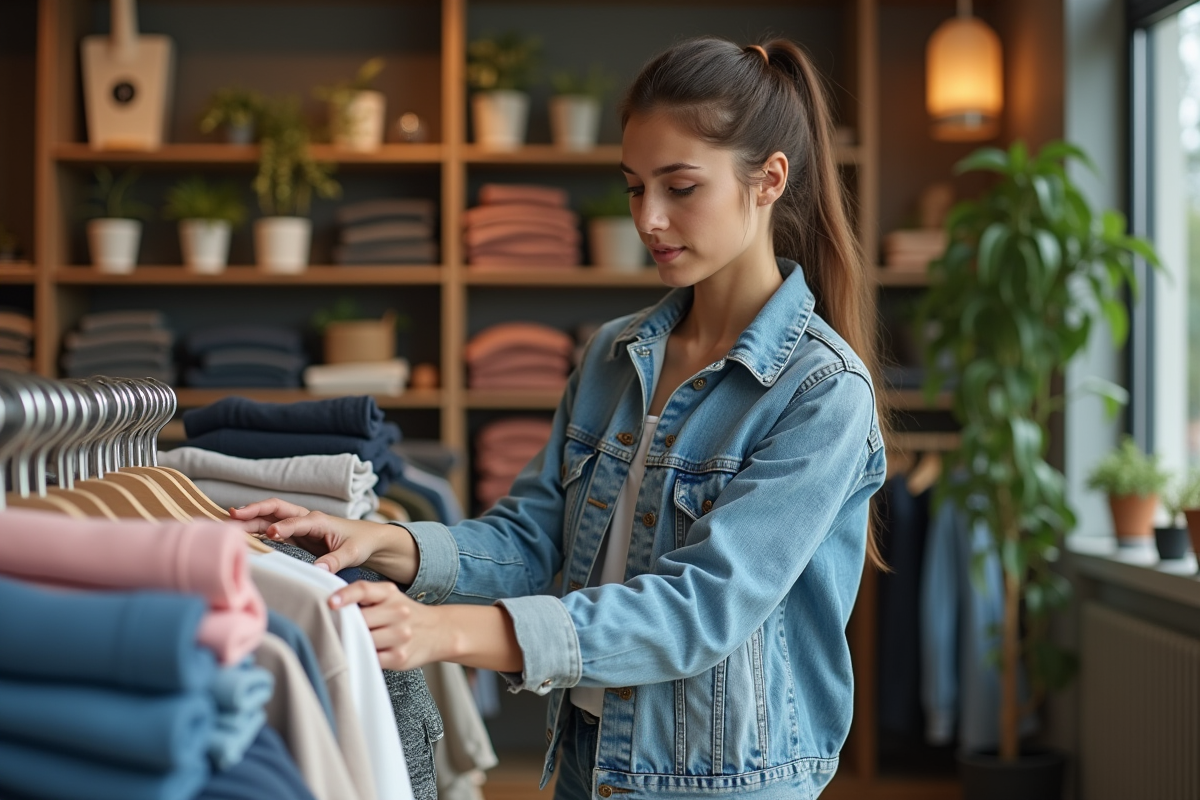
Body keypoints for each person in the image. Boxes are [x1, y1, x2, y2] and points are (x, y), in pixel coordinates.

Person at [233, 36, 887, 800]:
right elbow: (532, 536)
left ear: (769, 179)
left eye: (680, 187)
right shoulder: (613, 354)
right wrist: (383, 541)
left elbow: (701, 609)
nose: (649, 219)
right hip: (589, 760)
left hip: (723, 782)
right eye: (634, 188)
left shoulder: (822, 392)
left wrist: (445, 632)